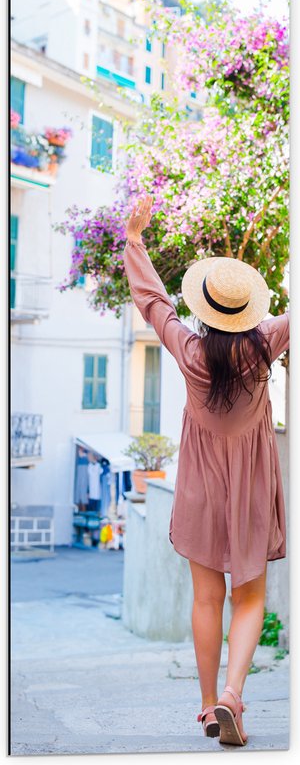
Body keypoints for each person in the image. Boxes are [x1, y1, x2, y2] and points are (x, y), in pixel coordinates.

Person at [123, 195, 289, 747]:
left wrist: (136, 237)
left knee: (205, 598)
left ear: (206, 308)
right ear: (248, 310)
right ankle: (232, 694)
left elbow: (152, 302)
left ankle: (205, 703)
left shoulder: (189, 351)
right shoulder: (265, 346)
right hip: (251, 488)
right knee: (250, 595)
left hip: (198, 489)